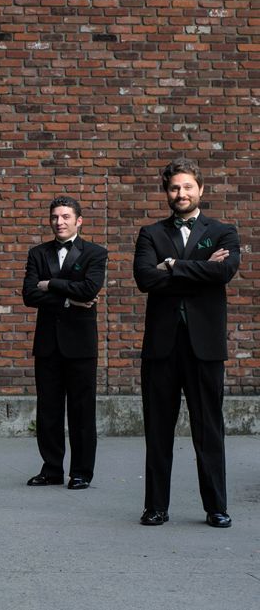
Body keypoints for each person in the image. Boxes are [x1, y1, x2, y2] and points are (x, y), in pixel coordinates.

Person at [134, 158, 239, 528]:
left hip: (204, 346)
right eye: (175, 188)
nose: (181, 193)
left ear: (201, 190)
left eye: (188, 187)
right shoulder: (150, 233)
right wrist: (198, 267)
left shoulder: (223, 232)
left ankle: (216, 507)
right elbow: (145, 279)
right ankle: (156, 506)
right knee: (158, 430)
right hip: (161, 347)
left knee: (208, 429)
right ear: (167, 192)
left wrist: (172, 266)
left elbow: (223, 271)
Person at [22, 196, 107, 490]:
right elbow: (29, 295)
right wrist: (70, 299)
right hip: (47, 344)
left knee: (83, 411)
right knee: (48, 410)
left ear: (78, 220)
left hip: (81, 346)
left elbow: (90, 288)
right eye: (55, 217)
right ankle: (51, 469)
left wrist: (52, 285)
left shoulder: (95, 253)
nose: (60, 222)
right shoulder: (37, 253)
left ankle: (82, 471)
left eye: (66, 217)